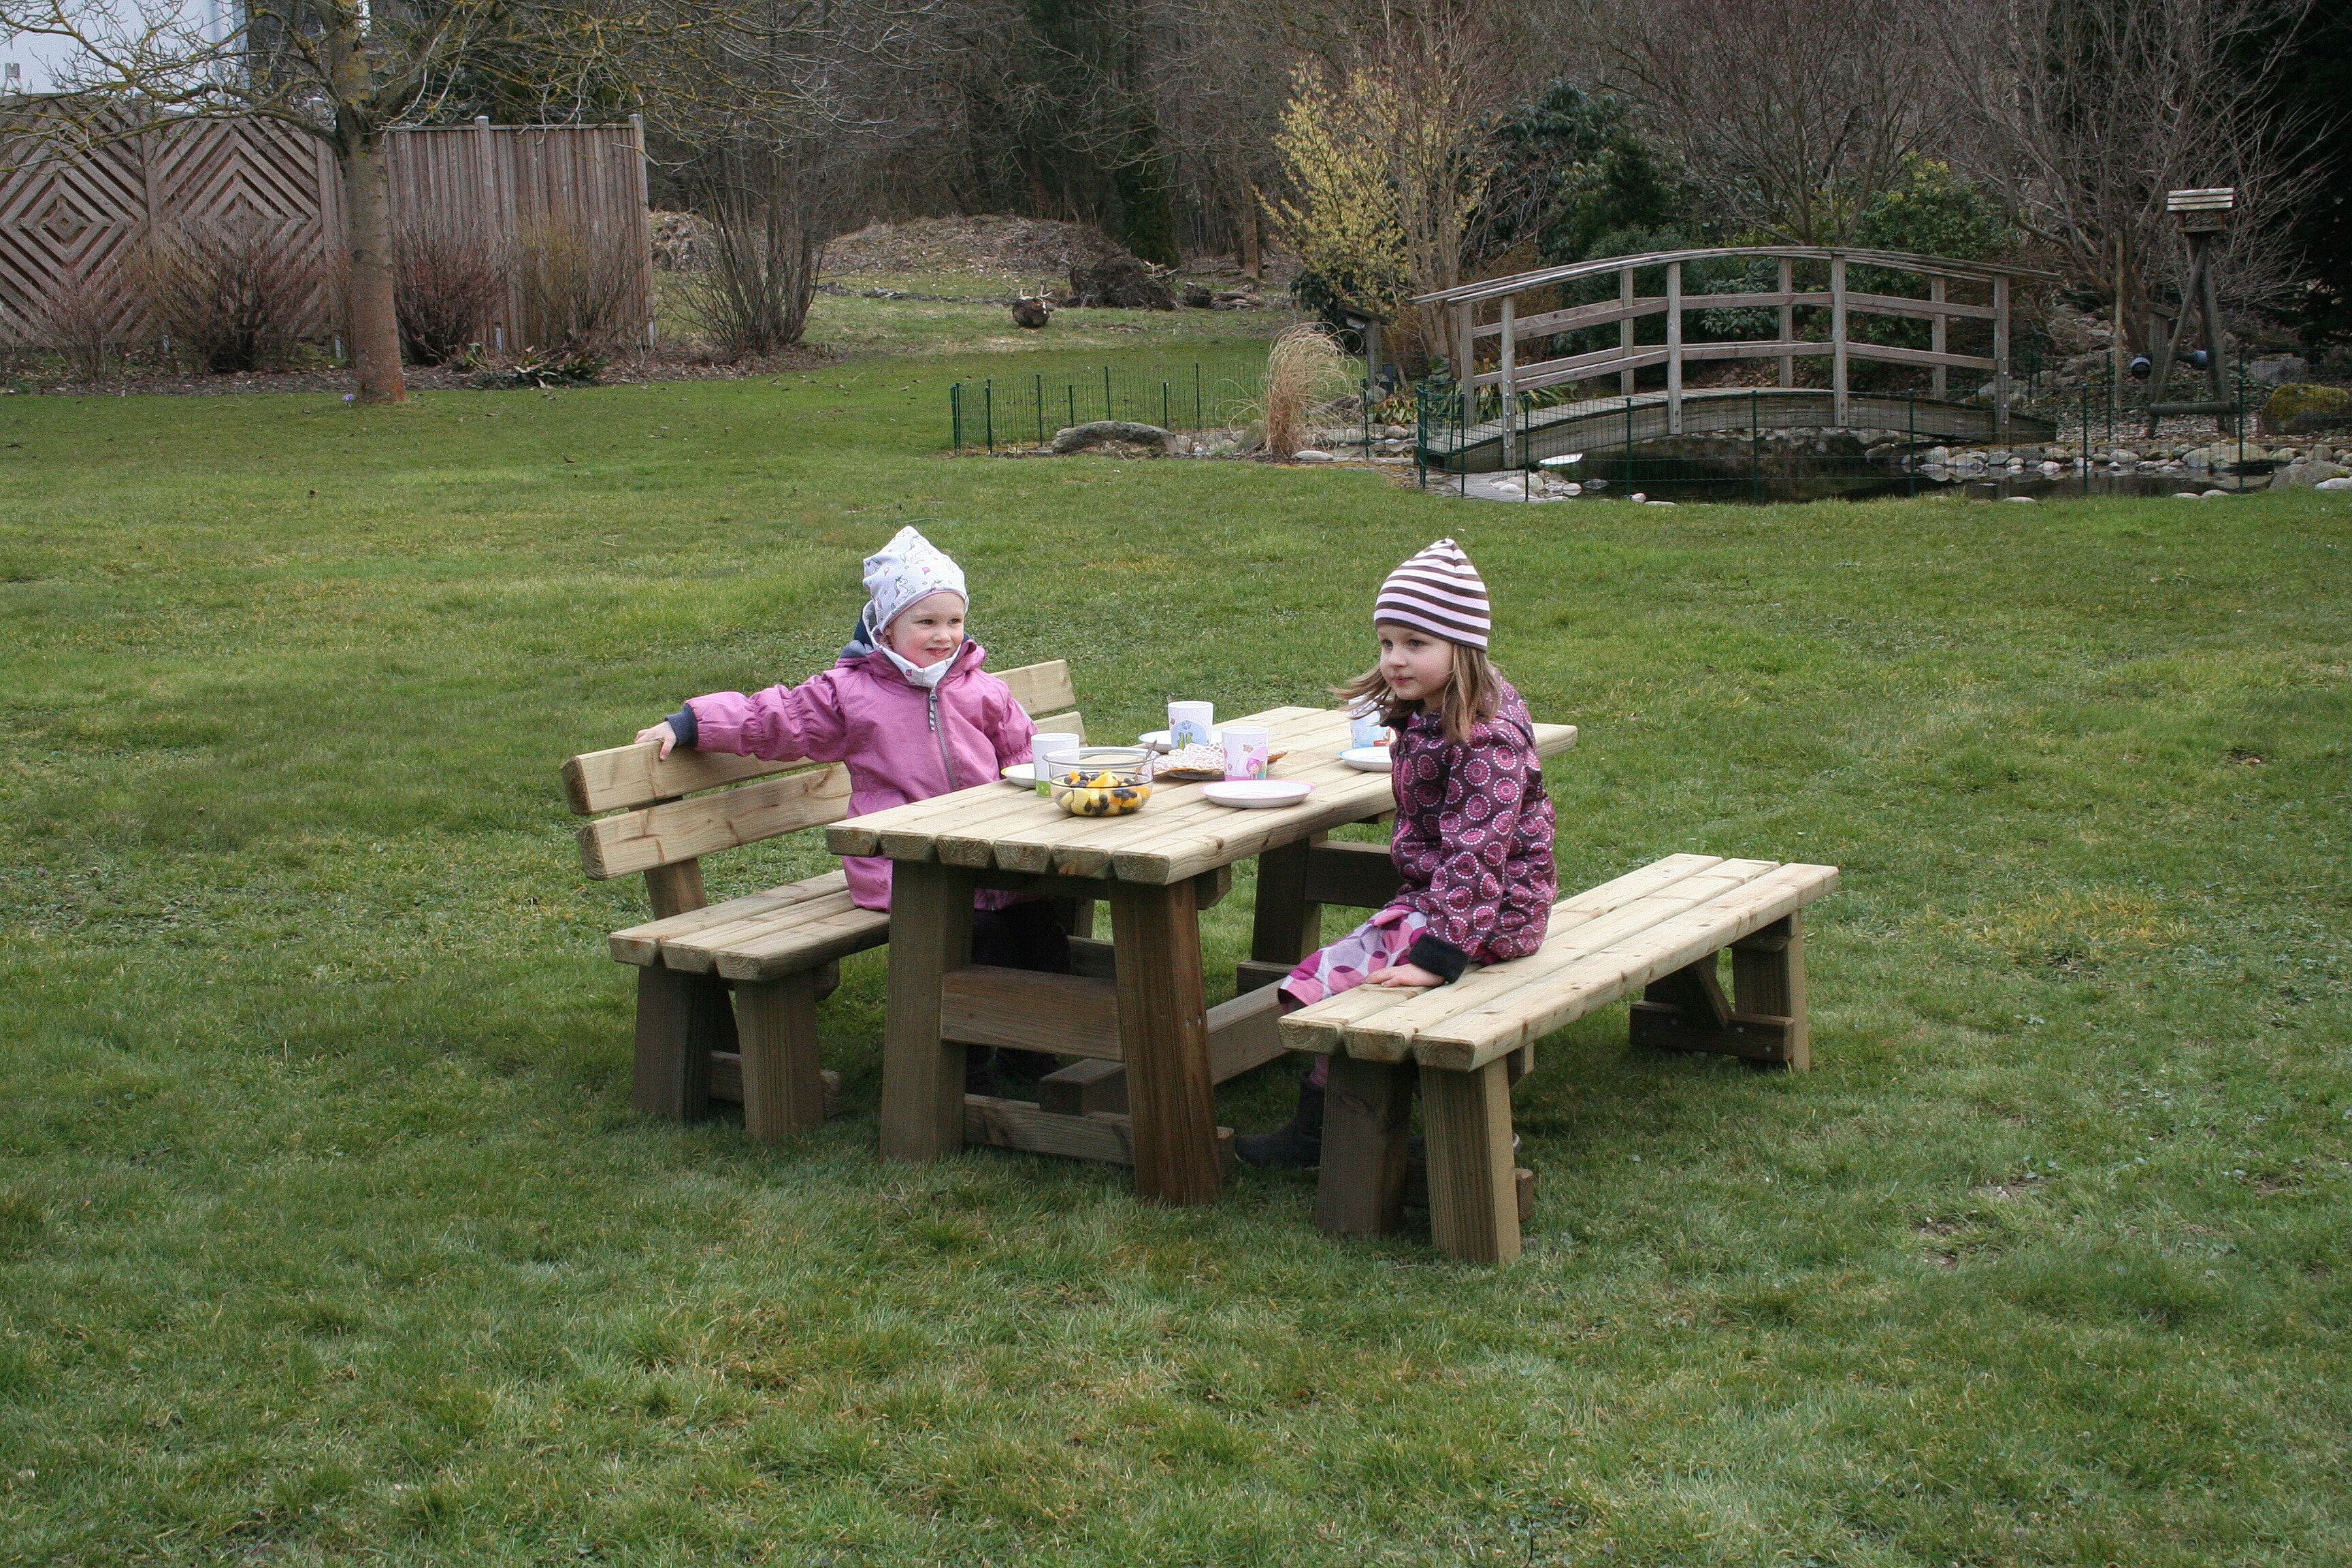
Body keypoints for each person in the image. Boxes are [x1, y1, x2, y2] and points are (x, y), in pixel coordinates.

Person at [634, 525, 1066, 1090]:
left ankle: (1034, 1051)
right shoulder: (850, 695)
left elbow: (1022, 750)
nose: (943, 636)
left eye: (954, 621)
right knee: (972, 934)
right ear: (887, 627)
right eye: (926, 622)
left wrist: (1052, 791)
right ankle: (965, 1066)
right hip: (900, 863)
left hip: (983, 852)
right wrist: (693, 724)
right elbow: (777, 717)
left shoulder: (979, 688)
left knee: (1041, 918)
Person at [1237, 538, 1557, 1169]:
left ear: (1462, 648)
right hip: (1452, 902)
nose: (1395, 660)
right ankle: (1330, 1119)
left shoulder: (1483, 738)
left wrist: (1438, 956)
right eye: (1387, 643)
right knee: (1357, 968)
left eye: (1416, 644)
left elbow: (1476, 856)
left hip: (1487, 914)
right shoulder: (1440, 710)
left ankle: (1332, 1128)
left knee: (1343, 976)